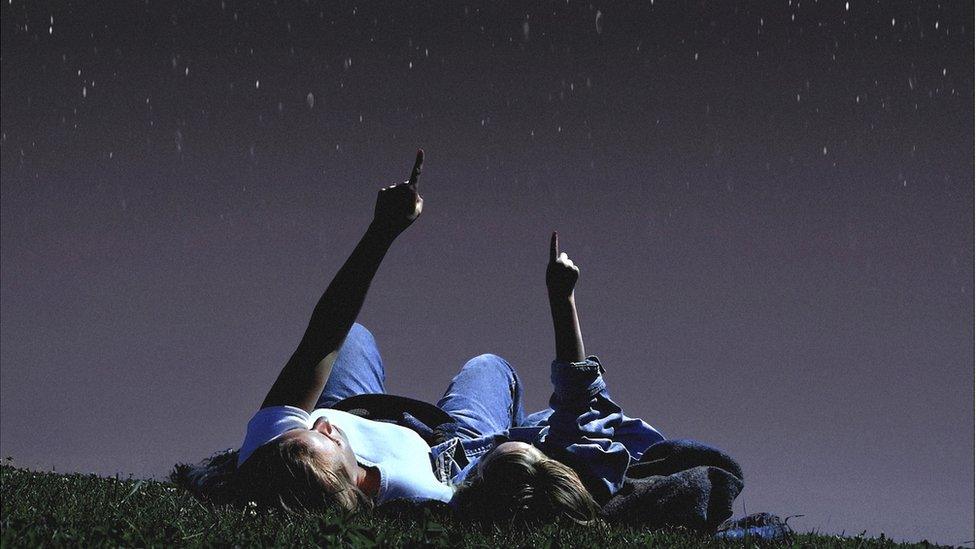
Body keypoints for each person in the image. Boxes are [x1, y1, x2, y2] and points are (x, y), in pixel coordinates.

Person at [450, 232, 669, 524]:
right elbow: (578, 394)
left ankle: (506, 438)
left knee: (488, 366)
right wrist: (563, 299)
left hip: (465, 447)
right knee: (494, 371)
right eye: (535, 451)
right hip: (546, 441)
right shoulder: (583, 471)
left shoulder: (451, 486)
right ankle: (525, 435)